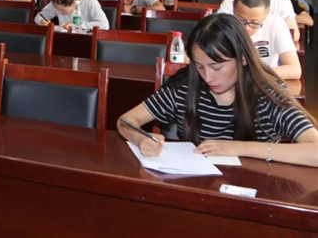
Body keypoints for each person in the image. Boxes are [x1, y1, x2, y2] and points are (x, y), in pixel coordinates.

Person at [117, 14, 317, 168]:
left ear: (243, 58)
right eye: (199, 66)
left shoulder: (267, 94)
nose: (207, 77)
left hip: (255, 192)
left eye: (217, 67)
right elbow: (125, 121)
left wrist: (239, 148)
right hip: (197, 187)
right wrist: (141, 139)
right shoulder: (184, 87)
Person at [232, 0, 301, 80]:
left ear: (267, 13)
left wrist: (253, 74)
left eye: (254, 23)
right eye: (241, 20)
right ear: (233, 8)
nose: (247, 28)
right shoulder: (225, 24)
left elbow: (294, 70)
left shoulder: (276, 24)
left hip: (265, 82)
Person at [34, 0, 109, 31]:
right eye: (56, 9)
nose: (59, 12)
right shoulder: (57, 0)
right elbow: (38, 16)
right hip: (64, 39)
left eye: (62, 10)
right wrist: (42, 22)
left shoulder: (89, 0)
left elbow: (104, 25)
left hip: (87, 41)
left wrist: (78, 25)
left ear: (73, 3)